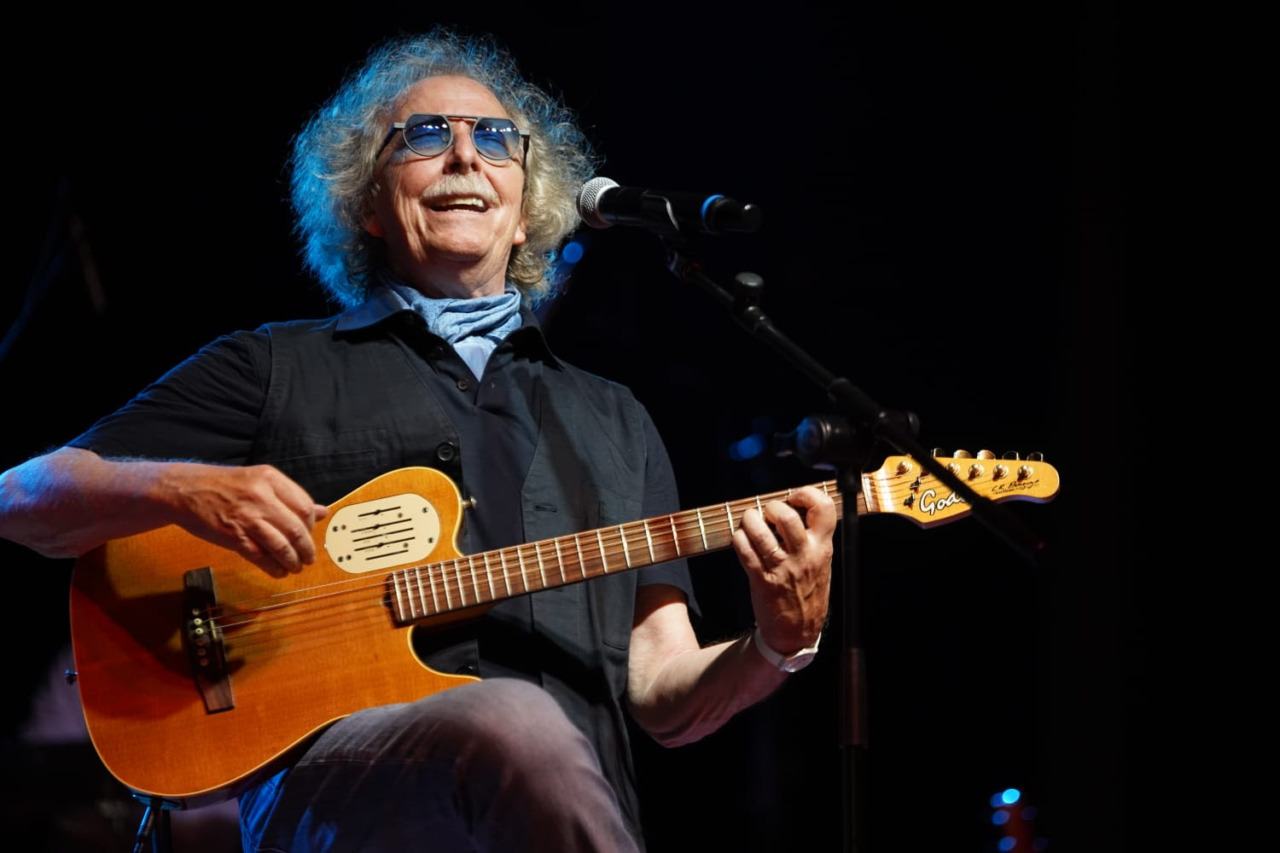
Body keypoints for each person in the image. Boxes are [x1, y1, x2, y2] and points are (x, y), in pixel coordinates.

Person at [0, 27, 835, 852]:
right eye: (427, 135)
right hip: (340, 800)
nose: (466, 156)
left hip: (562, 814)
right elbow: (22, 497)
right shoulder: (272, 366)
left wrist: (777, 645)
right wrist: (181, 490)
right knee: (508, 712)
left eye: (497, 140)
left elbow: (663, 694)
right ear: (368, 203)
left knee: (524, 724)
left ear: (526, 214)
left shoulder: (615, 419)